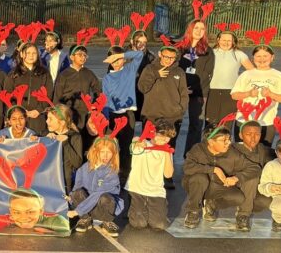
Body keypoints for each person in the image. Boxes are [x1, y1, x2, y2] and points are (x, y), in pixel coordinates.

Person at [182, 126, 262, 231]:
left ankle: (215, 205)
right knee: (199, 177)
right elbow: (187, 167)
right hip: (196, 186)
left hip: (219, 187)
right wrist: (214, 169)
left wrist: (237, 178)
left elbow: (255, 168)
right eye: (224, 140)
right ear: (211, 142)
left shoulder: (232, 152)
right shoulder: (198, 149)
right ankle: (193, 212)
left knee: (240, 195)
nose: (228, 143)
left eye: (229, 139)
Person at [231, 41, 281, 145]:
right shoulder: (245, 74)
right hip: (244, 121)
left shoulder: (279, 75)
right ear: (253, 58)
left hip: (266, 122)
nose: (262, 59)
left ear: (272, 57)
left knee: (264, 152)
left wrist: (270, 94)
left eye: (265, 56)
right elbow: (234, 95)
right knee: (241, 151)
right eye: (258, 56)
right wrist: (248, 93)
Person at [198, 28, 253, 133]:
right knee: (211, 122)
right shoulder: (210, 53)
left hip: (230, 93)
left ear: (233, 42)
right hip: (211, 91)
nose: (226, 43)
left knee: (227, 123)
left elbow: (252, 72)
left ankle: (225, 145)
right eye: (223, 40)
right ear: (218, 40)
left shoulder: (239, 54)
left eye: (229, 40)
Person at [68, 136, 125, 236]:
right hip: (87, 209)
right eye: (102, 151)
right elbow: (77, 187)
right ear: (95, 151)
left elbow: (98, 194)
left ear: (114, 154)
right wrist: (71, 198)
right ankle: (85, 219)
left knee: (105, 197)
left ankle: (107, 221)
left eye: (109, 152)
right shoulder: (84, 168)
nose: (106, 155)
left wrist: (78, 211)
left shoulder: (112, 172)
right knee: (77, 193)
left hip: (101, 208)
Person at [126, 120, 176, 231]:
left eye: (167, 137)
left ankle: (157, 209)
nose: (164, 139)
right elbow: (135, 142)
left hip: (156, 191)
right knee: (139, 224)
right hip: (137, 189)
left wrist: (167, 153)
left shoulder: (166, 151)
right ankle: (134, 209)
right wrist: (137, 141)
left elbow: (168, 175)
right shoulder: (143, 144)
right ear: (153, 132)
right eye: (161, 135)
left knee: (160, 225)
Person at [102, 43, 144, 175]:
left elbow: (139, 54)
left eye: (118, 59)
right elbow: (105, 100)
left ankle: (125, 173)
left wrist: (121, 54)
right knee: (110, 146)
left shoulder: (129, 70)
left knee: (126, 147)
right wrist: (106, 119)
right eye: (112, 59)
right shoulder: (107, 78)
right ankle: (109, 172)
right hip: (112, 116)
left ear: (124, 59)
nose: (115, 62)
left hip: (127, 115)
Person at [137, 45, 188, 152]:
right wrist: (156, 75)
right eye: (166, 57)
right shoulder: (149, 69)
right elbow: (142, 88)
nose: (169, 60)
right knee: (149, 148)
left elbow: (184, 93)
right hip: (151, 116)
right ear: (160, 55)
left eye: (172, 58)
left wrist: (180, 109)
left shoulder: (179, 71)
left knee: (168, 149)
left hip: (172, 117)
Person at [53, 42, 102, 150]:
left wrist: (94, 106)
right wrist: (61, 116)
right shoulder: (63, 75)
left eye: (85, 55)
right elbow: (57, 97)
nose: (83, 57)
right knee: (71, 143)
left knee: (86, 143)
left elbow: (98, 91)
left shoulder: (89, 74)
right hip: (69, 114)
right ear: (71, 57)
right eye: (79, 54)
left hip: (85, 114)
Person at [177, 19, 211, 156]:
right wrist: (182, 88)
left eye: (202, 29)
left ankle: (190, 156)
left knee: (196, 125)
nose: (199, 31)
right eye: (196, 28)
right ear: (190, 29)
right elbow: (175, 69)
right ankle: (168, 153)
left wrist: (198, 91)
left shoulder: (208, 51)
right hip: (180, 92)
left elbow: (208, 72)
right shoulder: (180, 48)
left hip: (198, 93)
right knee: (175, 123)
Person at [3, 43, 53, 134]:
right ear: (21, 54)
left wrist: (39, 110)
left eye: (34, 53)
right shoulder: (13, 74)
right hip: (19, 117)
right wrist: (19, 111)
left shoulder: (44, 73)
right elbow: (8, 95)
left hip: (38, 117)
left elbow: (49, 93)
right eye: (28, 53)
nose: (31, 56)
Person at [44, 105, 82, 193]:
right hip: (47, 180)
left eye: (50, 119)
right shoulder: (45, 134)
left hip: (64, 182)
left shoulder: (74, 136)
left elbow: (77, 163)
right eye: (47, 118)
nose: (46, 121)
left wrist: (65, 143)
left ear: (62, 122)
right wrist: (45, 141)